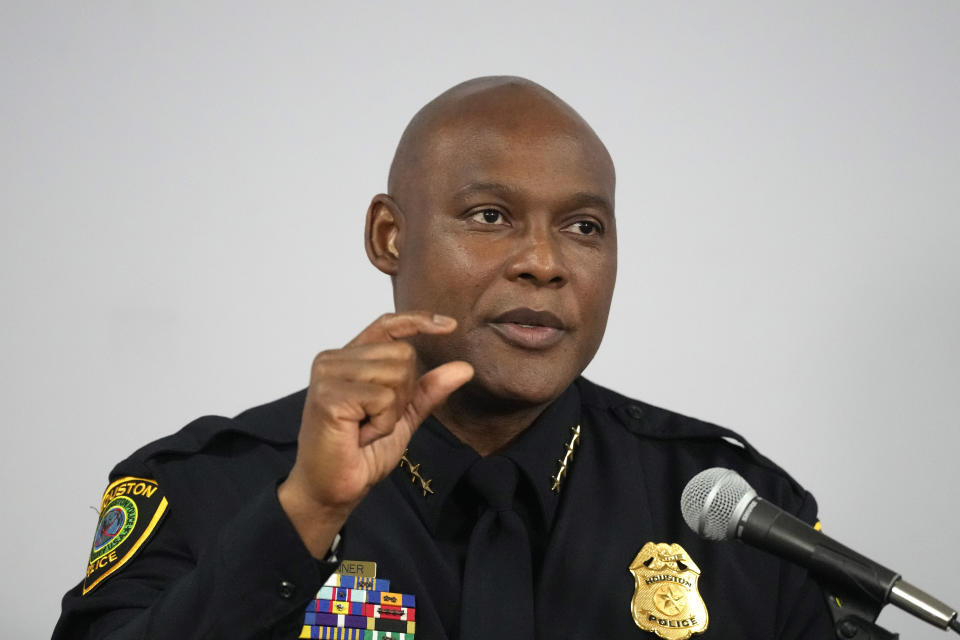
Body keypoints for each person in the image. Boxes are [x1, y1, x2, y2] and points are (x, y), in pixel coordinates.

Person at [54, 77, 834, 639]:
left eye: (585, 227)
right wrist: (304, 517)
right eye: (490, 216)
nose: (544, 262)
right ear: (389, 237)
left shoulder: (739, 514)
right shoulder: (204, 489)